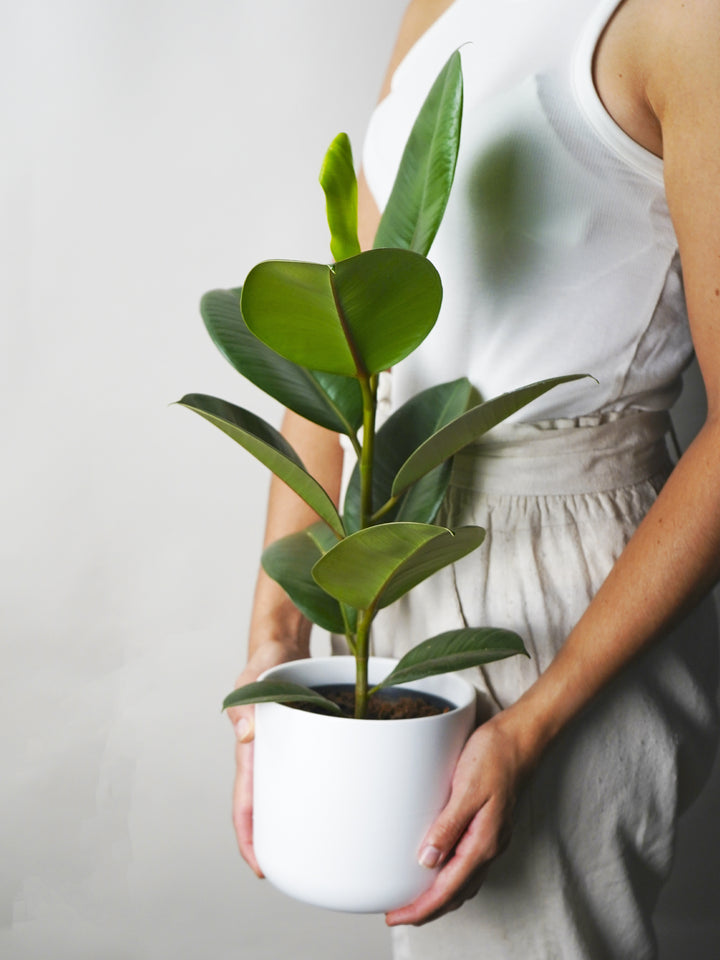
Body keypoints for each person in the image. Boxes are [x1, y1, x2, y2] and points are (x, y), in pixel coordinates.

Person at [227, 0, 720, 956]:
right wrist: (274, 641)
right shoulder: (437, 3)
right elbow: (349, 336)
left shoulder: (684, 21)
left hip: (569, 599)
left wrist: (533, 727)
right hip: (399, 547)